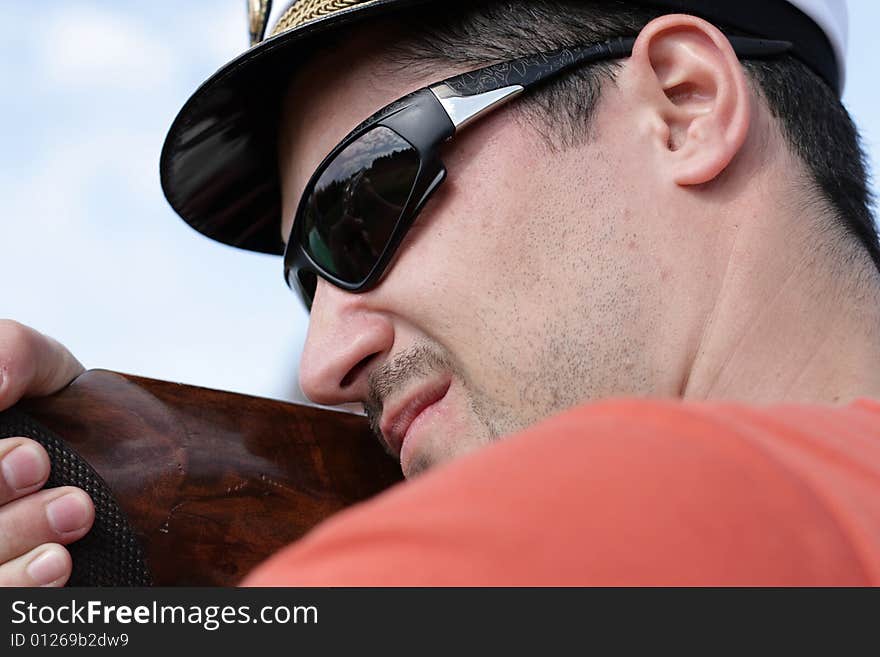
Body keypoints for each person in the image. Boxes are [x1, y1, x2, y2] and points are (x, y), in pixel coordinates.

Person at [2, 0, 879, 586]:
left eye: (362, 201)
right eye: (308, 279)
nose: (321, 363)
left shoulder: (565, 539)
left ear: (683, 106)